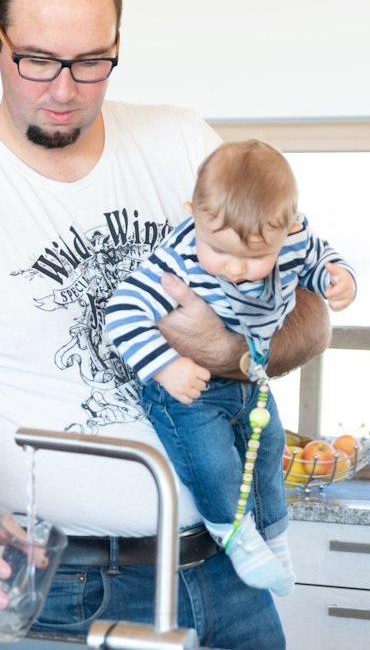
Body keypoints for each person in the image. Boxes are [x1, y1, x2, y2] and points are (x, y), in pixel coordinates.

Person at [0, 0, 353, 649]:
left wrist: (227, 350)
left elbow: (308, 315)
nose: (63, 89)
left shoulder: (184, 144)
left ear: (118, 42)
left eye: (91, 63)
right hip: (64, 587)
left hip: (226, 577)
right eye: (38, 61)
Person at [104, 139, 356, 597]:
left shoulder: (292, 238)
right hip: (186, 388)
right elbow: (121, 313)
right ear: (193, 214)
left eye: (256, 258)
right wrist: (166, 367)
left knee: (267, 451)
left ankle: (273, 536)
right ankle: (233, 533)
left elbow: (318, 258)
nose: (236, 268)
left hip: (246, 379)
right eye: (220, 252)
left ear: (288, 228)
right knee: (215, 461)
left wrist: (339, 277)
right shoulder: (178, 259)